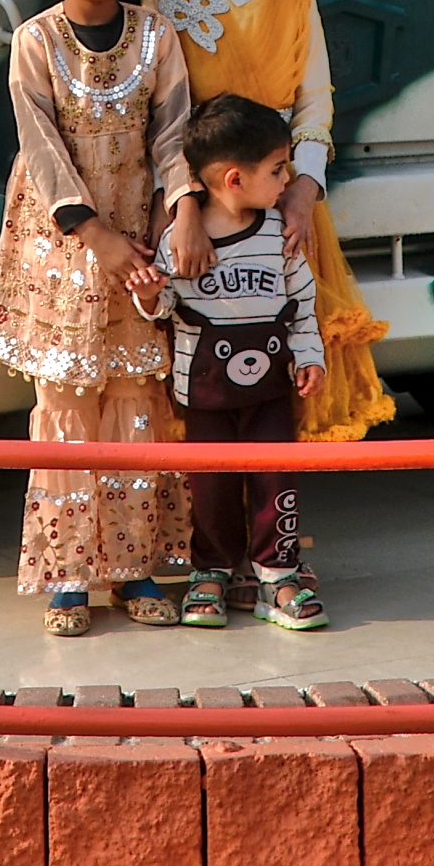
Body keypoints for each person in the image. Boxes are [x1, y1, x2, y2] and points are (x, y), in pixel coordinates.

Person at [0, 0, 193, 635]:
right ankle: (68, 575)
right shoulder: (35, 41)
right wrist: (95, 238)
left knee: (135, 404)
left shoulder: (155, 36)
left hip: (140, 240)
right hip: (61, 243)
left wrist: (183, 215)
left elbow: (172, 136)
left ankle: (133, 570)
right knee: (69, 406)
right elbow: (40, 149)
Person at [146, 0, 393, 458]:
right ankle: (205, 518)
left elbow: (315, 101)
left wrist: (303, 189)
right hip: (197, 207)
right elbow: (160, 113)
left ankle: (272, 514)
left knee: (283, 354)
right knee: (197, 360)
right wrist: (180, 207)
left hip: (281, 200)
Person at [150, 95, 326, 631]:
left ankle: (278, 576)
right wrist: (148, 291)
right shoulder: (180, 241)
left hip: (272, 390)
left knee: (277, 480)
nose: (285, 180)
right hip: (204, 392)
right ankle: (212, 572)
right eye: (277, 170)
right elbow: (162, 309)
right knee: (212, 486)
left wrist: (310, 355)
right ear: (233, 179)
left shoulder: (281, 235)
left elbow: (303, 304)